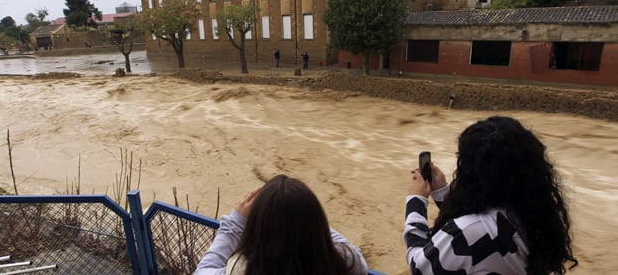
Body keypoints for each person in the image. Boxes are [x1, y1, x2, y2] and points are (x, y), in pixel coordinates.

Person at [404, 116, 577, 274]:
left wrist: (416, 201)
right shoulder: (533, 216)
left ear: (474, 171)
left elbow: (419, 267)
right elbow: (477, 214)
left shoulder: (467, 233)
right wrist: (442, 191)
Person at [195, 174, 368, 275]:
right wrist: (303, 215)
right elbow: (354, 254)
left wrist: (236, 221)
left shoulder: (241, 269)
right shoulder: (344, 261)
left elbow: (203, 271)